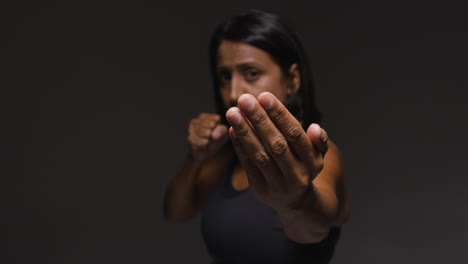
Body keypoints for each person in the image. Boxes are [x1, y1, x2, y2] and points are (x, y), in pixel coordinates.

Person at [163, 9, 350, 264]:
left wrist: (296, 201)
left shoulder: (321, 157)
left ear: (292, 80)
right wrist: (195, 159)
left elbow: (314, 229)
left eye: (251, 73)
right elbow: (175, 212)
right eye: (225, 76)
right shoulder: (226, 157)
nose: (233, 92)